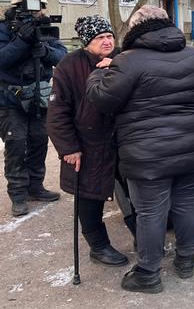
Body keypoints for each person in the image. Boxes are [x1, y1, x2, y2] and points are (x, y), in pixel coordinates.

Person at [86, 5, 194, 293]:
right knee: (186, 202)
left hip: (146, 155)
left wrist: (96, 75)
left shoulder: (127, 61)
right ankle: (186, 261)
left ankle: (148, 273)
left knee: (150, 212)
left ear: (135, 29)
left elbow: (102, 100)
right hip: (190, 147)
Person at [47, 15, 128, 267]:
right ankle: (99, 246)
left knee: (132, 191)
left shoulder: (124, 59)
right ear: (86, 41)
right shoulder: (69, 66)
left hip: (122, 139)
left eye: (109, 36)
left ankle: (143, 236)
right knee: (89, 196)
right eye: (99, 38)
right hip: (87, 142)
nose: (106, 41)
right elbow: (57, 111)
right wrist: (68, 147)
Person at [0, 0, 67, 217]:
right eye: (26, 7)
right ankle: (18, 194)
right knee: (16, 144)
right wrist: (21, 41)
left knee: (39, 140)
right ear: (15, 7)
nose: (33, 13)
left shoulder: (45, 28)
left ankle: (35, 187)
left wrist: (44, 50)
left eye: (38, 7)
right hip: (9, 99)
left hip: (39, 96)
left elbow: (63, 55)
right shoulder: (3, 29)